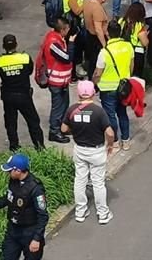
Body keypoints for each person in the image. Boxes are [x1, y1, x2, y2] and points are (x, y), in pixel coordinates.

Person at [60, 80, 114, 225]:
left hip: (79, 149)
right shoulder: (98, 111)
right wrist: (110, 144)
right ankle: (103, 214)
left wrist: (76, 131)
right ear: (93, 93)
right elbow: (109, 132)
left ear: (78, 93)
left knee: (80, 180)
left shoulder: (71, 110)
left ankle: (80, 211)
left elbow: (64, 129)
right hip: (96, 151)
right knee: (98, 183)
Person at [0, 153, 49, 260]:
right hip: (13, 230)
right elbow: (10, 197)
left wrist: (36, 238)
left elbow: (43, 215)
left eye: (10, 170)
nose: (8, 173)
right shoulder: (13, 180)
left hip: (30, 233)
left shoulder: (36, 189)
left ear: (18, 171)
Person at [0, 34, 46, 151]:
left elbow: (0, 73)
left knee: (11, 123)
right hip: (24, 95)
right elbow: (29, 71)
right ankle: (39, 147)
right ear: (16, 44)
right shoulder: (25, 58)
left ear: (3, 46)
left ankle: (14, 147)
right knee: (33, 121)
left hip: (8, 96)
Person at [93, 21, 134, 152]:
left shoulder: (104, 52)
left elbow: (98, 73)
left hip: (107, 89)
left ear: (107, 33)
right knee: (123, 114)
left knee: (110, 116)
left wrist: (93, 83)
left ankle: (115, 142)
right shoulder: (128, 46)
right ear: (120, 32)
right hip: (124, 88)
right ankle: (126, 141)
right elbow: (131, 67)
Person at [39, 17, 74, 143]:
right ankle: (54, 131)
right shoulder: (53, 42)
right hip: (56, 81)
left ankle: (62, 128)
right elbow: (67, 58)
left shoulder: (57, 38)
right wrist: (71, 44)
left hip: (62, 80)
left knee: (64, 104)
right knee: (58, 107)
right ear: (63, 29)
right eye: (68, 28)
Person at [82, 0, 111, 81]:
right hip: (96, 40)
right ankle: (95, 83)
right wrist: (105, 45)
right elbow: (99, 29)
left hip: (88, 35)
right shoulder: (96, 8)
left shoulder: (87, 2)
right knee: (96, 63)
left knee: (91, 62)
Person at [119, 3, 150, 77]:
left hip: (123, 50)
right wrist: (146, 34)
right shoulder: (139, 25)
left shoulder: (121, 21)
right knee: (136, 76)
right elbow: (144, 43)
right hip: (137, 52)